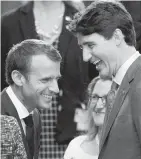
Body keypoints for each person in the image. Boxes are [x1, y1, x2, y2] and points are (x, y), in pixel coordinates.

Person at [1, 2, 90, 158]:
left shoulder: (84, 22)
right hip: (20, 125)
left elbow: (93, 76)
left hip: (71, 129)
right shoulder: (9, 23)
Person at [68, 1, 141, 159]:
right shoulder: (122, 84)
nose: (85, 57)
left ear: (117, 37)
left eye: (91, 45)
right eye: (83, 48)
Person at [1, 39, 61, 159]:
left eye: (57, 79)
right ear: (18, 78)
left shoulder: (35, 115)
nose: (56, 89)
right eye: (45, 80)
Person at [64, 77, 112, 159]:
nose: (98, 105)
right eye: (95, 97)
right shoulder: (76, 148)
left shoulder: (132, 149)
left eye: (107, 98)